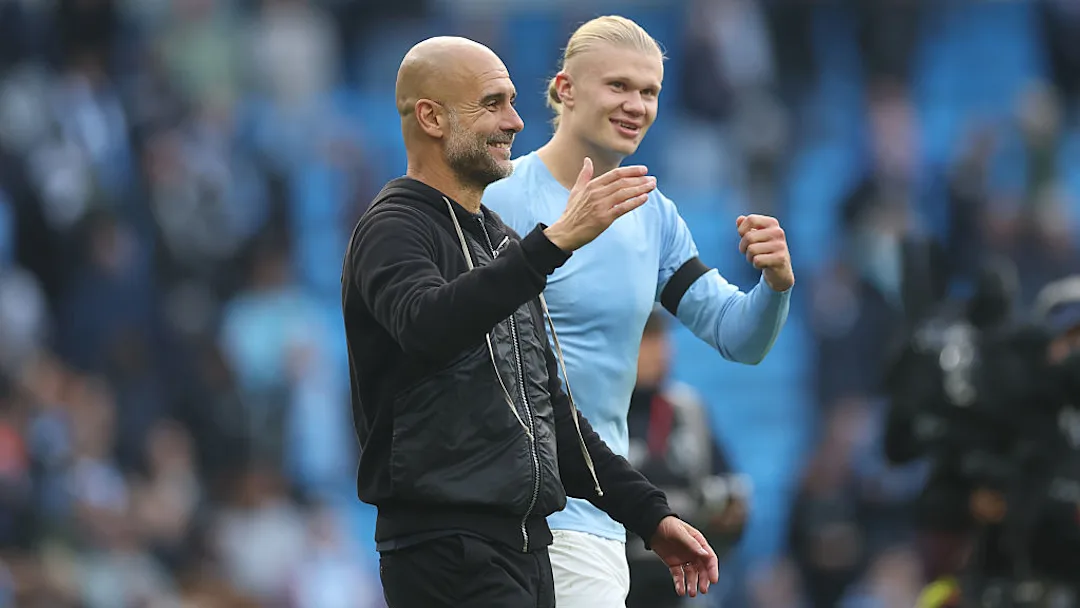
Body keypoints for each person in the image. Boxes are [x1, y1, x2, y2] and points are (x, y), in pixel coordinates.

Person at [340, 36, 720, 608]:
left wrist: (650, 514)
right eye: (492, 103)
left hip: (526, 551)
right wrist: (554, 244)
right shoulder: (393, 228)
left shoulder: (501, 242)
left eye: (513, 102)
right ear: (431, 117)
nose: (516, 121)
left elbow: (552, 413)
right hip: (445, 553)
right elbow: (427, 327)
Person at [483, 15, 793, 607]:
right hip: (492, 514)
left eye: (649, 91)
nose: (636, 105)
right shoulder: (497, 196)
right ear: (565, 88)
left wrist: (774, 285)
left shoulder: (651, 217)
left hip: (592, 521)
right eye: (619, 86)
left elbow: (739, 337)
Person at [625, 308, 749, 608]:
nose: (662, 349)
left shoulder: (689, 409)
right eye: (647, 338)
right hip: (619, 567)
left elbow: (731, 489)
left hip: (683, 573)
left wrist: (730, 507)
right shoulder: (597, 413)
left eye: (662, 338)